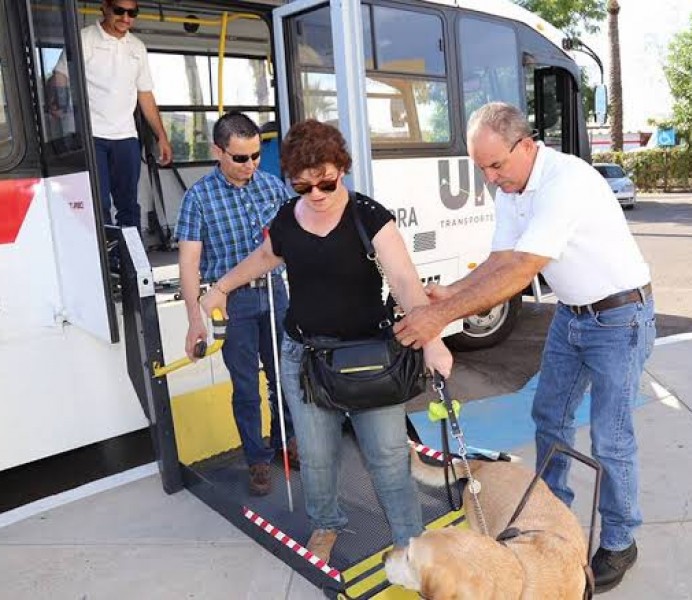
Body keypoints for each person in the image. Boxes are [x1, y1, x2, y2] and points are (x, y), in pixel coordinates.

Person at [393, 102, 655, 593]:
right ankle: (547, 522)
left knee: (611, 439)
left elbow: (522, 270)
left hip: (620, 318)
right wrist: (452, 291)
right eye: (482, 169)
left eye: (496, 165)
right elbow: (500, 259)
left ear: (527, 146)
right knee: (549, 417)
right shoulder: (513, 190)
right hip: (573, 317)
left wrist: (439, 316)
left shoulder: (565, 182)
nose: (491, 178)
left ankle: (620, 541)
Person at [200, 119, 453, 563]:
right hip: (306, 357)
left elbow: (405, 282)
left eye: (326, 183)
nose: (315, 195)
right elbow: (263, 259)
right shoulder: (286, 218)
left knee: (389, 457)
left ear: (342, 168)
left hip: (371, 357)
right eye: (303, 187)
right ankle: (326, 523)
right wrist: (221, 287)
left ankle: (410, 540)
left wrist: (431, 339)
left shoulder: (368, 216)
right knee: (317, 458)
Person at [175, 111, 297, 497]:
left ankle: (287, 441)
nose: (250, 166)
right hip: (232, 305)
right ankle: (257, 459)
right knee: (246, 386)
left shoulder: (272, 187)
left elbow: (292, 239)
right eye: (240, 158)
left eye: (256, 156)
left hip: (275, 292)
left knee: (284, 376)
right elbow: (189, 264)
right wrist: (195, 320)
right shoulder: (198, 198)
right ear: (218, 151)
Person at [51, 0, 172, 229]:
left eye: (132, 12)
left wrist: (162, 136)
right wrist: (60, 103)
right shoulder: (84, 39)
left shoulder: (137, 47)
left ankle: (132, 261)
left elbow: (145, 95)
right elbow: (60, 76)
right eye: (119, 11)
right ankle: (106, 261)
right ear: (105, 8)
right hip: (92, 136)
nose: (126, 18)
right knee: (100, 203)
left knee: (128, 205)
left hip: (126, 138)